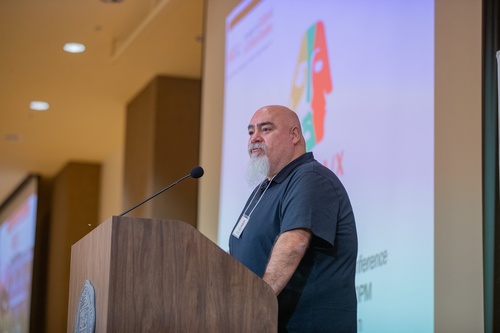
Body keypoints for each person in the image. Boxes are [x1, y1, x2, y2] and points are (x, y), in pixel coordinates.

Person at [229, 105, 358, 332]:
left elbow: (294, 244)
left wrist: (253, 305)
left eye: (265, 129)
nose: (254, 139)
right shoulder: (263, 191)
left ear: (295, 135)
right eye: (250, 132)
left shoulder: (310, 177)